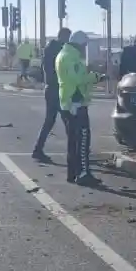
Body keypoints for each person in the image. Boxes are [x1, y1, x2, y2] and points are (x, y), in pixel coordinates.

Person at [56, 30, 103, 186]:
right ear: (80, 44)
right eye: (84, 45)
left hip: (68, 103)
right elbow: (78, 79)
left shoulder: (65, 54)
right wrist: (95, 77)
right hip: (75, 103)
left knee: (73, 141)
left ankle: (73, 173)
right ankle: (83, 174)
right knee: (82, 140)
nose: (85, 49)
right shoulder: (71, 58)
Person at [32, 28, 72, 163]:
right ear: (63, 36)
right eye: (67, 37)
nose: (68, 39)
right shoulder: (60, 50)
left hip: (51, 87)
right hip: (57, 88)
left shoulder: (49, 48)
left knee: (50, 121)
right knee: (68, 120)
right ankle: (74, 151)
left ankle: (38, 149)